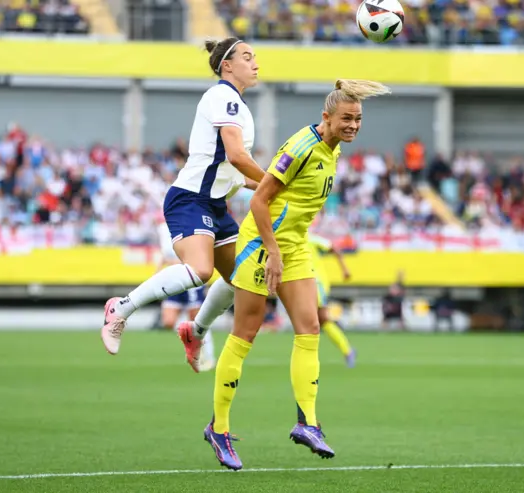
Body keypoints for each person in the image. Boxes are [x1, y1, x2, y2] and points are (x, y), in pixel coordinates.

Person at [202, 79, 391, 470]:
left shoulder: (333, 149)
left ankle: (308, 422)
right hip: (262, 244)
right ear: (326, 117)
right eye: (346, 119)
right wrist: (271, 252)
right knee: (246, 334)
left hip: (296, 245)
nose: (353, 125)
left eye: (358, 119)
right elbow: (260, 199)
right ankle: (218, 428)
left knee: (310, 328)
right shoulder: (302, 147)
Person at [100, 37, 265, 357]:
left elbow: (235, 172)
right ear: (227, 66)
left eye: (255, 56)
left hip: (214, 204)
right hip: (190, 199)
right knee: (200, 271)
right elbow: (236, 155)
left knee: (242, 279)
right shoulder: (223, 96)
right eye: (248, 57)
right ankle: (120, 309)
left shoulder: (238, 106)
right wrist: (278, 181)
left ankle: (196, 331)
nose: (255, 62)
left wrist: (275, 189)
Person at [156, 215, 216, 371]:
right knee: (168, 321)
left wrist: (172, 263)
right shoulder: (163, 230)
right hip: (173, 278)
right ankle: (189, 337)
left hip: (190, 278)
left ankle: (208, 355)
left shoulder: (190, 227)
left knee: (197, 319)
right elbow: (166, 254)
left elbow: (193, 257)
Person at [308, 233, 356, 367]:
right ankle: (348, 350)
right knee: (320, 320)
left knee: (314, 318)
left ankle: (347, 350)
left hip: (317, 283)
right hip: (303, 282)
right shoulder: (289, 238)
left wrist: (345, 269)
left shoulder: (311, 239)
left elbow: (334, 248)